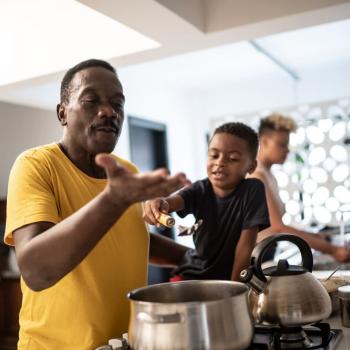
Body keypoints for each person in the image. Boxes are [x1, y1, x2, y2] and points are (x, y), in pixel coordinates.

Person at [4, 59, 190, 350]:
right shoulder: (36, 166)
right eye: (91, 100)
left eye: (118, 103)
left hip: (125, 343)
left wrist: (194, 259)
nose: (109, 111)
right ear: (62, 112)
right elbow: (36, 270)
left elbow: (130, 238)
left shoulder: (125, 171)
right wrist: (113, 200)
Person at [143, 122, 270, 281]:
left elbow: (245, 247)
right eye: (214, 155)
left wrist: (236, 288)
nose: (220, 162)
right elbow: (171, 202)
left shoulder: (253, 190)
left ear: (251, 166)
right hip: (191, 276)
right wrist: (158, 203)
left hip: (230, 279)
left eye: (233, 158)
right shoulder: (200, 189)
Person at [249, 113, 350, 262]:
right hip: (255, 259)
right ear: (264, 142)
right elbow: (278, 228)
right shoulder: (257, 177)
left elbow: (274, 226)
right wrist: (332, 250)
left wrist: (313, 236)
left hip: (267, 253)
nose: (287, 150)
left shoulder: (268, 175)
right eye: (282, 144)